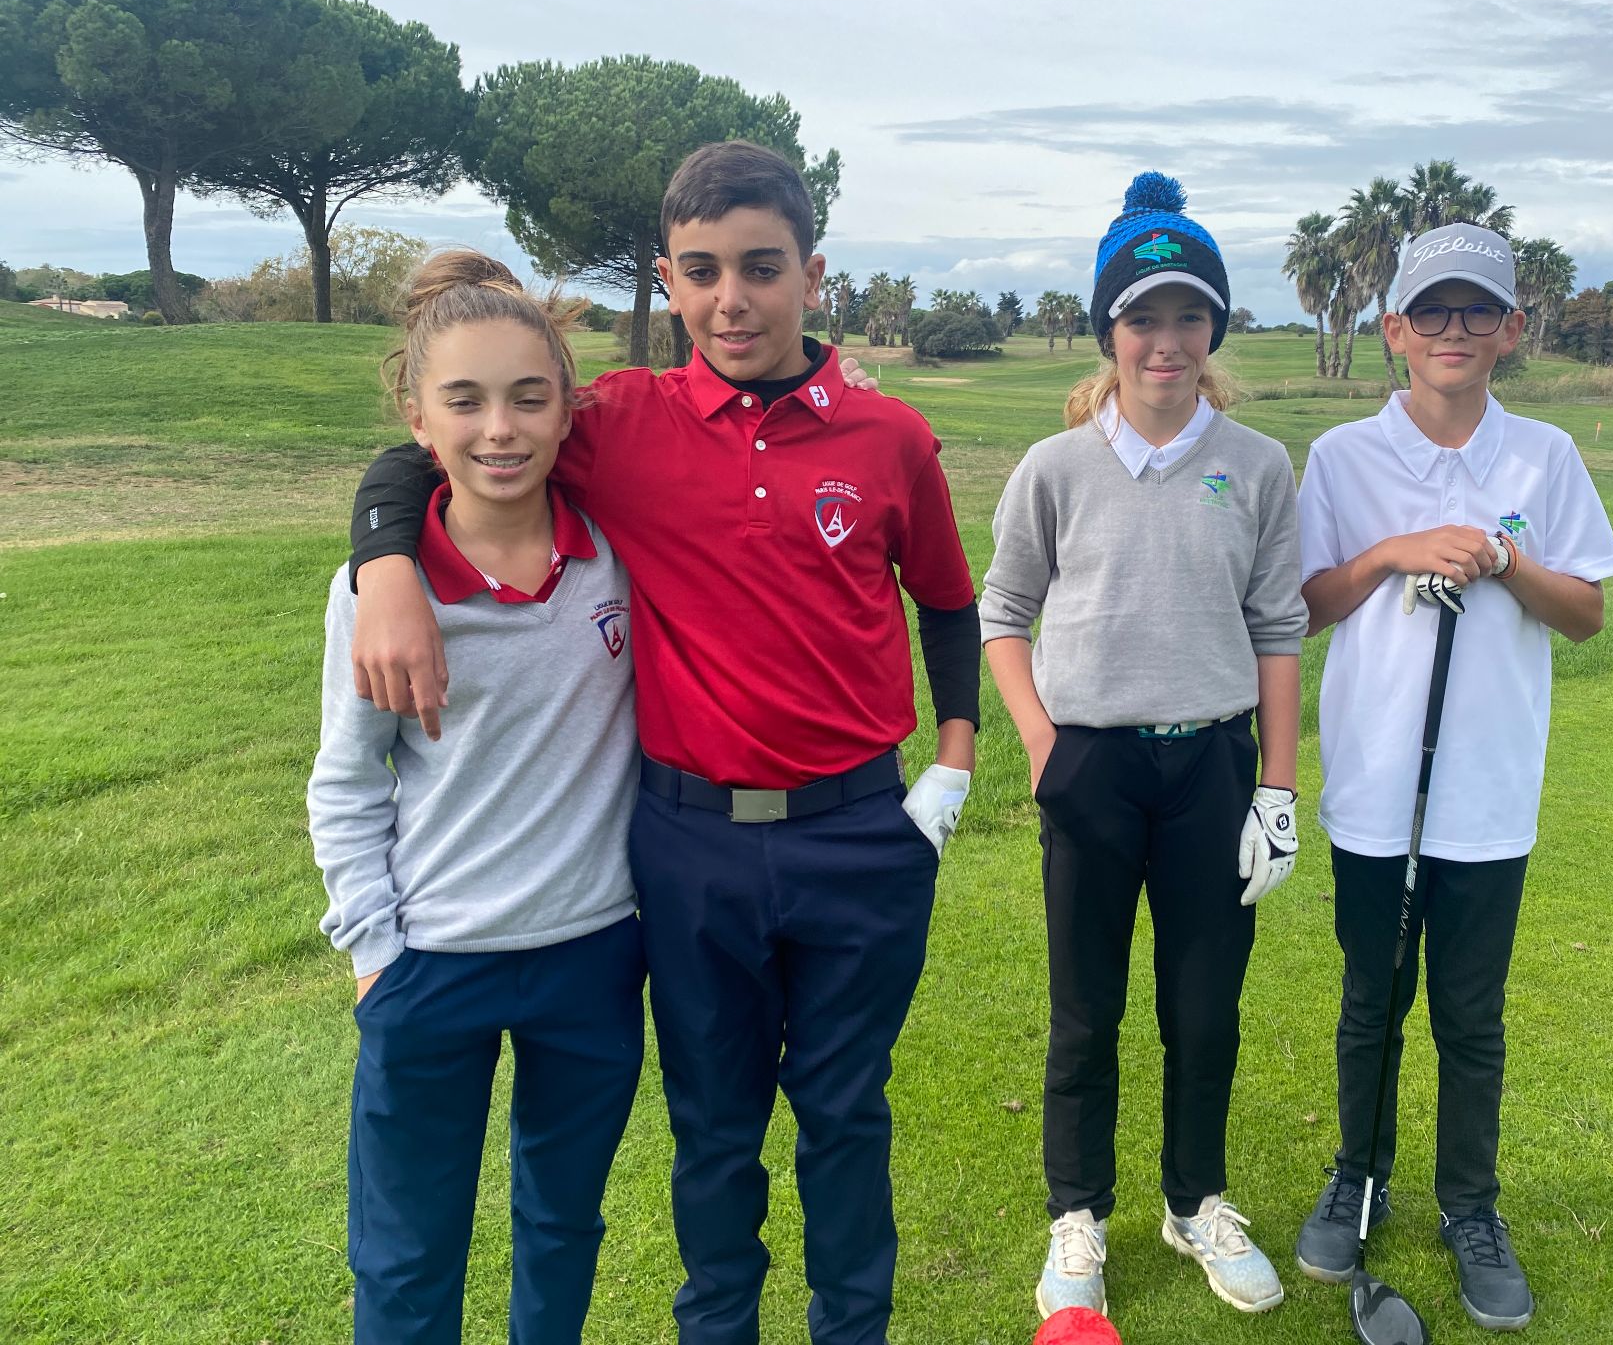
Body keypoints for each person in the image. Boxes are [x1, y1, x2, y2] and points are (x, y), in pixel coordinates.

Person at [344, 140, 981, 1345]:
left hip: (858, 833)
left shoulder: (890, 437)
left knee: (846, 1116)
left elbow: (946, 602)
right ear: (667, 279)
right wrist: (383, 561)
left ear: (813, 274)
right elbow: (450, 431)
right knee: (713, 1129)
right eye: (701, 271)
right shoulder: (619, 421)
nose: (731, 299)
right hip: (687, 845)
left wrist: (954, 757)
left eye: (762, 268)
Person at [979, 172, 1308, 1321]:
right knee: (1087, 1012)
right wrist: (1040, 742)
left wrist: (1277, 790)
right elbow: (1002, 612)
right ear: (1107, 331)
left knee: (1204, 1009)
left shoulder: (1257, 465)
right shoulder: (1056, 467)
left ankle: (1193, 1200)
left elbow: (1277, 629)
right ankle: (1078, 1213)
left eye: (1188, 316)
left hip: (1212, 769)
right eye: (1142, 318)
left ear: (1215, 326)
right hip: (1093, 770)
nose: (1166, 342)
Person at [308, 251, 646, 1343]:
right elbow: (347, 780)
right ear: (418, 419)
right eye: (464, 400)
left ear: (568, 412)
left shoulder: (620, 556)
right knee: (407, 1255)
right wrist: (374, 951)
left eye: (528, 398)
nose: (499, 428)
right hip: (431, 962)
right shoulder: (377, 592)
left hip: (594, 955)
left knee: (562, 1225)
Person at [1290, 224, 1613, 1332]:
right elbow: (1304, 607)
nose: (1454, 330)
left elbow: (1586, 613)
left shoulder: (1546, 457)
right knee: (1370, 1003)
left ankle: (1471, 1209)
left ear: (1510, 329)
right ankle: (1358, 1178)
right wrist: (1396, 551)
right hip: (1375, 791)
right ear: (1394, 329)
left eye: (1478, 309)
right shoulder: (1344, 457)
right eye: (1431, 310)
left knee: (1471, 1018)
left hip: (1486, 796)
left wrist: (1506, 558)